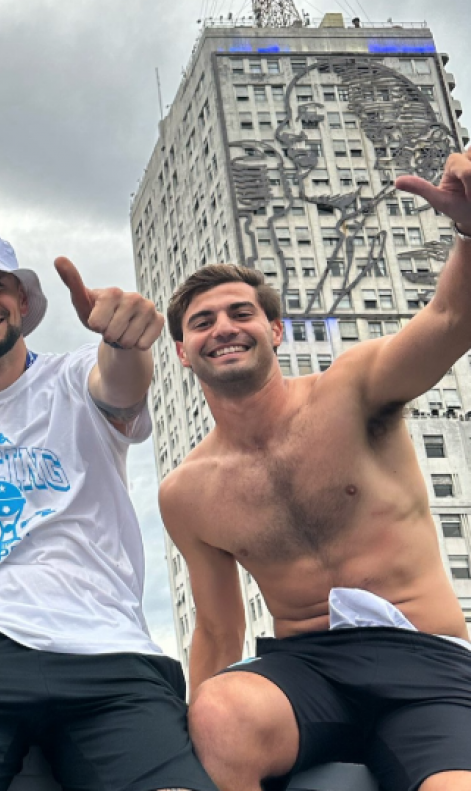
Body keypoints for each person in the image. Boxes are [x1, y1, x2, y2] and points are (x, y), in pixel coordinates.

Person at [159, 146, 471, 791]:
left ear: (275, 330)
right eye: (202, 322)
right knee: (221, 710)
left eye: (242, 313)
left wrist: (468, 231)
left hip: (426, 661)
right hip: (306, 672)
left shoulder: (353, 389)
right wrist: (185, 726)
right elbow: (219, 627)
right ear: (184, 354)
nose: (224, 328)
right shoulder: (186, 492)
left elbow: (450, 320)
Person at [0, 229, 216, 791]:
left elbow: (121, 386)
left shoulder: (76, 377)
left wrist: (125, 340)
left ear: (22, 303)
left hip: (104, 650)